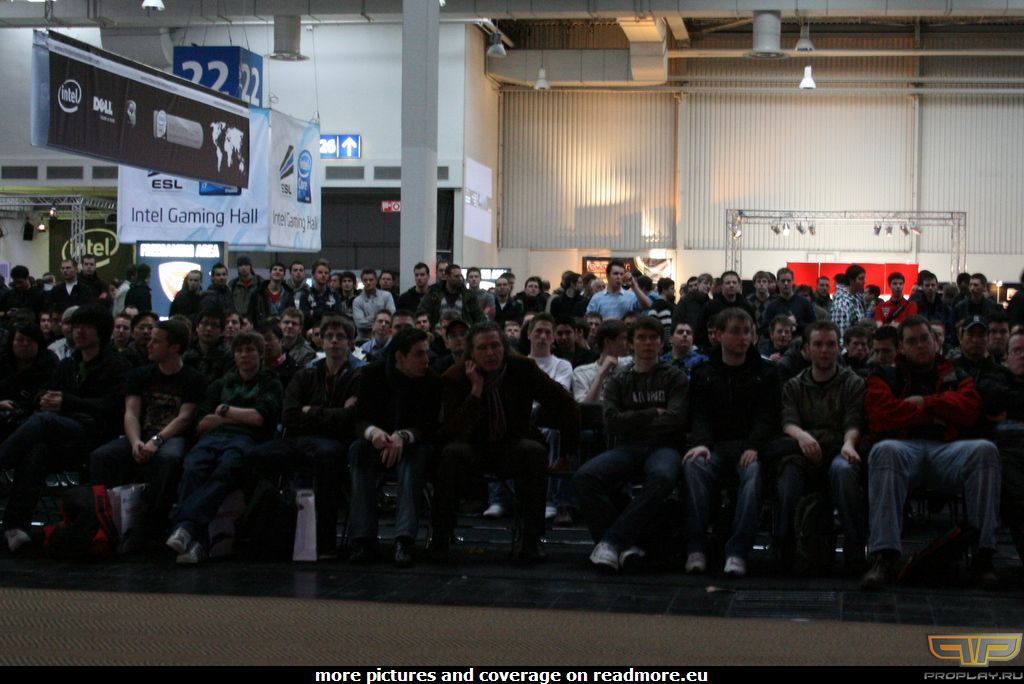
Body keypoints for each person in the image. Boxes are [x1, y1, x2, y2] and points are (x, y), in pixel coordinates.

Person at [860, 315, 1001, 589]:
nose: (920, 345)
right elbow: (881, 415)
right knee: (884, 450)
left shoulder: (956, 374)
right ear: (901, 347)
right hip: (903, 448)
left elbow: (970, 409)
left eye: (925, 338)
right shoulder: (883, 375)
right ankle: (884, 556)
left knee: (985, 451)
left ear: (935, 341)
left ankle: (983, 556)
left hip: (948, 450)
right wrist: (939, 412)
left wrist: (925, 403)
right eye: (912, 341)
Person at [434, 321, 580, 560]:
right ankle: (440, 538)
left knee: (533, 452)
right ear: (471, 353)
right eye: (483, 348)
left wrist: (565, 454)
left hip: (512, 444)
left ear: (505, 347)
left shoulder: (523, 368)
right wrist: (475, 392)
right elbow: (452, 432)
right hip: (472, 447)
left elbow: (566, 404)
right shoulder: (455, 377)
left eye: (495, 346)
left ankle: (531, 540)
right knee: (451, 453)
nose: (491, 353)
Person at [0, 305, 130, 551]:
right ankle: (15, 527)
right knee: (36, 451)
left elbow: (112, 406)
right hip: (63, 435)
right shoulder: (69, 364)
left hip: (95, 434)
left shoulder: (116, 365)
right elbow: (44, 390)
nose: (78, 332)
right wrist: (44, 399)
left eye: (85, 327)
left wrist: (66, 402)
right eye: (75, 326)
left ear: (100, 332)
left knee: (43, 421)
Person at [574, 317, 688, 572]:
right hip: (627, 448)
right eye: (641, 338)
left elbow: (676, 420)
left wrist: (632, 420)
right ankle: (626, 547)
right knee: (584, 476)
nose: (647, 343)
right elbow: (612, 423)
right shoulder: (619, 380)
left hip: (665, 447)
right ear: (631, 343)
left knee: (663, 477)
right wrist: (652, 413)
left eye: (653, 338)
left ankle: (611, 543)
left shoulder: (675, 377)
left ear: (661, 343)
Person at [249, 316, 364, 559]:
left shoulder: (358, 376)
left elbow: (351, 418)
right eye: (329, 336)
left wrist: (311, 411)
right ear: (320, 341)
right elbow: (289, 416)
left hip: (335, 443)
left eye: (340, 337)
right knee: (255, 455)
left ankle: (324, 541)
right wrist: (332, 413)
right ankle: (257, 531)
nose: (334, 341)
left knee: (327, 458)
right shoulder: (305, 374)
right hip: (300, 438)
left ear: (350, 343)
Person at [166, 331, 283, 564]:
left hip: (247, 439)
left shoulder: (271, 383)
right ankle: (198, 542)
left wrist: (224, 411)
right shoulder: (221, 383)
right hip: (212, 438)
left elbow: (259, 418)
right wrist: (238, 416)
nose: (244, 355)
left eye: (250, 350)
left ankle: (185, 526)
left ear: (260, 354)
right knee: (192, 468)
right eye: (239, 351)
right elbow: (202, 422)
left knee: (225, 469)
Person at [682, 308, 779, 577]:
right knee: (693, 465)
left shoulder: (767, 372)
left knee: (753, 473)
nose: (743, 338)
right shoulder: (703, 372)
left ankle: (737, 551)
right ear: (718, 335)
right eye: (735, 332)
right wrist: (701, 443)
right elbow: (699, 414)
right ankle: (696, 548)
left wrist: (754, 445)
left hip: (748, 446)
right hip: (714, 446)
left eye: (747, 332)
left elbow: (767, 415)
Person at [89, 320, 204, 544]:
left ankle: (153, 524)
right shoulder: (139, 375)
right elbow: (131, 413)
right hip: (140, 434)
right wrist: (135, 442)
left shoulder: (193, 378)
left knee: (168, 458)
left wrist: (157, 440)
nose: (149, 344)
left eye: (156, 341)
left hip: (172, 436)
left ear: (174, 347)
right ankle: (104, 521)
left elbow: (184, 418)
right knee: (101, 456)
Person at [776, 320, 867, 572]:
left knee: (844, 471)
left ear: (838, 348)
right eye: (818, 344)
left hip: (838, 448)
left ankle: (855, 551)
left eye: (830, 344)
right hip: (802, 451)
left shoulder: (853, 383)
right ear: (807, 349)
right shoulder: (794, 385)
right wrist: (802, 436)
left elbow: (854, 419)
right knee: (788, 476)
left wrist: (849, 444)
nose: (824, 350)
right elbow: (788, 420)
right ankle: (786, 550)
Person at [348, 328, 441, 567]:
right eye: (419, 354)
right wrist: (374, 433)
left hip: (414, 443)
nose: (426, 360)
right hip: (378, 442)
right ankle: (363, 539)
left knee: (414, 459)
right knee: (358, 451)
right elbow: (360, 418)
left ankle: (404, 539)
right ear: (400, 356)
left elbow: (430, 425)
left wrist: (404, 436)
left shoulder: (431, 380)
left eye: (426, 353)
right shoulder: (371, 374)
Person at [697, 271, 756, 349]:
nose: (731, 285)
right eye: (728, 283)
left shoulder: (746, 306)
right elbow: (701, 329)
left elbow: (753, 329)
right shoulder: (710, 306)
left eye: (734, 282)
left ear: (739, 285)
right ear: (722, 286)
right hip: (714, 349)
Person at [417, 264, 486, 330]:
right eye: (456, 276)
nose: (460, 279)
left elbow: (480, 317)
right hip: (438, 334)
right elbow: (421, 312)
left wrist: (472, 331)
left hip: (462, 333)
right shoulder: (434, 294)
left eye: (460, 276)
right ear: (447, 277)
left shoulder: (468, 296)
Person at [586, 260, 651, 320]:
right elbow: (588, 318)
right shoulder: (597, 298)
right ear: (607, 276)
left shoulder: (630, 297)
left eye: (621, 274)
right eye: (615, 274)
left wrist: (634, 286)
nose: (619, 277)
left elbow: (648, 305)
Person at [182, 305, 234, 382]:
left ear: (222, 331)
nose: (208, 329)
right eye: (205, 323)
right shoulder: (186, 351)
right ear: (197, 327)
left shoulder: (228, 355)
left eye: (214, 325)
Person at [761, 268, 815, 338]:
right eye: (783, 281)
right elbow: (764, 329)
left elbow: (813, 327)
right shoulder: (772, 306)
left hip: (799, 342)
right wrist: (780, 326)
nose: (786, 283)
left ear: (792, 282)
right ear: (777, 283)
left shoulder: (804, 303)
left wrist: (797, 323)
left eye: (788, 281)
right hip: (778, 343)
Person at [298, 259, 343, 332]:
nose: (323, 275)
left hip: (330, 331)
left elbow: (337, 315)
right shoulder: (305, 294)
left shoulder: (334, 295)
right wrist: (328, 312)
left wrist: (314, 312)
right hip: (310, 331)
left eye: (326, 273)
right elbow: (305, 316)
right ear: (313, 275)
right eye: (320, 272)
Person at [352, 269, 397, 341]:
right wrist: (382, 316)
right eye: (365, 280)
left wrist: (367, 318)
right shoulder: (357, 301)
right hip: (363, 340)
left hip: (384, 339)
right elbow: (360, 324)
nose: (368, 282)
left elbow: (392, 316)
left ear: (376, 281)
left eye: (371, 280)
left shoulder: (386, 296)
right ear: (362, 281)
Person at [830, 264, 867, 335]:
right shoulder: (842, 301)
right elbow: (841, 331)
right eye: (860, 279)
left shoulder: (857, 296)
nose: (864, 282)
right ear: (851, 280)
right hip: (849, 340)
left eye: (864, 278)